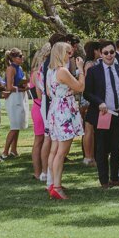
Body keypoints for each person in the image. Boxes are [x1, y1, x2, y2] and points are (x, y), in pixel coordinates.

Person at [82, 40, 119, 188]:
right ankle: (104, 180)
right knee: (102, 149)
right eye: (106, 53)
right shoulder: (93, 71)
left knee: (116, 147)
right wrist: (99, 102)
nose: (109, 55)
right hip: (103, 114)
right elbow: (87, 93)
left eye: (111, 52)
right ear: (100, 54)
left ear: (115, 52)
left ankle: (115, 177)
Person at [43, 41, 85, 200]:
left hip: (55, 109)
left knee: (54, 150)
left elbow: (48, 91)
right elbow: (80, 87)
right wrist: (81, 70)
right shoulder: (62, 71)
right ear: (61, 54)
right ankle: (57, 187)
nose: (71, 55)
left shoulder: (50, 71)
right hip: (64, 111)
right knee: (61, 152)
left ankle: (52, 184)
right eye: (68, 53)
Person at [0, 48, 28, 160]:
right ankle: (5, 151)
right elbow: (9, 87)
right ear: (13, 58)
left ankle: (14, 149)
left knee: (18, 125)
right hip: (14, 98)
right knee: (15, 125)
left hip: (20, 97)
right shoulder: (11, 69)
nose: (22, 58)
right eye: (20, 56)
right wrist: (22, 89)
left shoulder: (19, 68)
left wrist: (25, 86)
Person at [28, 42, 49, 180]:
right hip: (40, 107)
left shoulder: (39, 71)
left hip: (42, 107)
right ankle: (38, 172)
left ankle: (43, 171)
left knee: (43, 140)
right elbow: (40, 95)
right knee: (39, 140)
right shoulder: (37, 73)